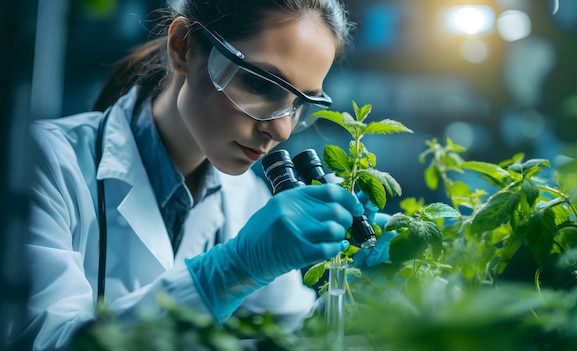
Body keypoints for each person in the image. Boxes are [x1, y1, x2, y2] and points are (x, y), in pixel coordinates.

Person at [11, 0, 368, 349]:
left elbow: (296, 332)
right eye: (260, 85)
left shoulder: (246, 197)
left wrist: (374, 295)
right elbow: (40, 340)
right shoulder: (43, 164)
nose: (282, 131)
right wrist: (230, 272)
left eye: (299, 103)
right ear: (182, 48)